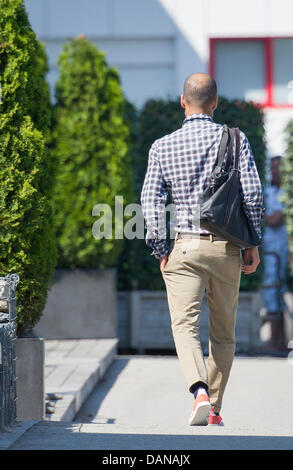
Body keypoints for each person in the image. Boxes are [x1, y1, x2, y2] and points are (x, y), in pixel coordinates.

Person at [141, 73, 264, 426]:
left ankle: (198, 391)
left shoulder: (162, 146)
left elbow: (150, 201)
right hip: (225, 249)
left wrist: (160, 247)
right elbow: (252, 195)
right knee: (223, 333)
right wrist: (251, 243)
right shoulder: (235, 140)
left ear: (183, 102)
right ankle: (213, 410)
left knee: (184, 325)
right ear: (215, 103)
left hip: (183, 248)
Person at [260, 156, 288, 353]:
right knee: (270, 292)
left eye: (278, 168)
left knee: (276, 291)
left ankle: (277, 340)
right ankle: (276, 340)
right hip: (266, 249)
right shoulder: (268, 191)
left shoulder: (286, 193)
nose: (275, 172)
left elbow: (275, 220)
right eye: (273, 168)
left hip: (278, 249)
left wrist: (256, 214)